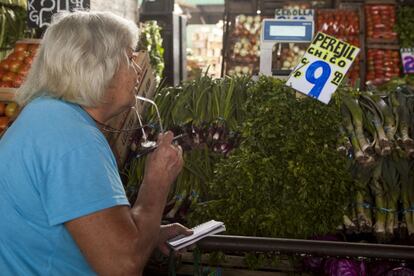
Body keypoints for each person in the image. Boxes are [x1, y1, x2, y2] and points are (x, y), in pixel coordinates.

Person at [0, 11, 192, 275]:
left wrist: (151, 235)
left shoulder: (46, 115)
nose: (137, 70)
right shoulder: (73, 140)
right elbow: (123, 266)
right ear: (98, 67)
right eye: (128, 58)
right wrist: (156, 183)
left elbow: (82, 230)